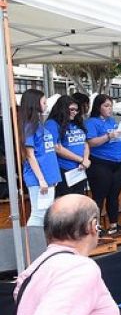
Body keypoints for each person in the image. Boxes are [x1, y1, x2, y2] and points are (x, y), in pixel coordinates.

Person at [85, 94, 121, 235]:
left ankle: (113, 224)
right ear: (98, 107)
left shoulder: (113, 121)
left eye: (111, 106)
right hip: (100, 162)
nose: (110, 109)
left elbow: (118, 139)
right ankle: (95, 227)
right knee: (99, 196)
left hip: (118, 162)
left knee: (114, 195)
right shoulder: (92, 122)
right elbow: (91, 142)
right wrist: (109, 136)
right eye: (106, 106)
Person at [19, 89, 61, 227]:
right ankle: (32, 244)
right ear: (35, 104)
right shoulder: (30, 126)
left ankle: (38, 243)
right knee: (38, 214)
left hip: (48, 175)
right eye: (44, 102)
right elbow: (30, 155)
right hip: (39, 178)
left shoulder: (38, 125)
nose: (46, 105)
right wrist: (41, 179)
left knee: (45, 213)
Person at [45, 96, 90, 197]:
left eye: (76, 110)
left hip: (79, 169)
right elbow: (56, 147)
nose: (75, 112)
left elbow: (85, 142)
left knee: (78, 202)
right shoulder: (52, 124)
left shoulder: (77, 122)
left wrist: (85, 159)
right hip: (64, 169)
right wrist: (81, 159)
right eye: (72, 109)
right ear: (63, 109)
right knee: (65, 204)